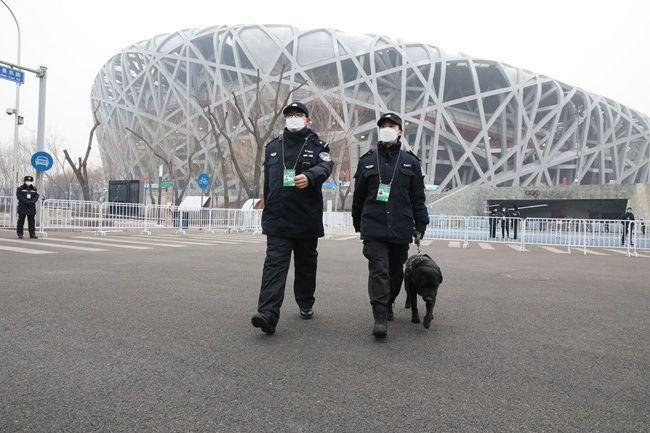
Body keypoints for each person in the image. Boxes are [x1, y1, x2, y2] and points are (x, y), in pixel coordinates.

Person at [251, 101, 334, 335]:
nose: (294, 118)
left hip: (306, 219)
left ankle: (305, 302)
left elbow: (326, 167)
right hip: (278, 219)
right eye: (290, 115)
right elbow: (269, 182)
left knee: (306, 266)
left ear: (308, 119)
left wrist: (310, 175)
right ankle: (267, 314)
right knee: (274, 267)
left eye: (299, 114)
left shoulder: (319, 145)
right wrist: (265, 203)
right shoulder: (273, 147)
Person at [352, 113, 429, 339]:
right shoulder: (367, 160)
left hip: (400, 227)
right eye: (383, 126)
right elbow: (359, 197)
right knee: (379, 270)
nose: (387, 129)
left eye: (392, 126)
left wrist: (421, 224)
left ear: (400, 132)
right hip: (373, 227)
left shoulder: (411, 162)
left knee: (395, 273)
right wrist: (359, 223)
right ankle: (379, 315)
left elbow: (417, 198)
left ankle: (389, 301)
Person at [16, 175, 39, 239]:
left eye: (30, 181)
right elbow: (19, 196)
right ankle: (20, 234)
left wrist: (32, 201)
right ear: (25, 181)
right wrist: (26, 202)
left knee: (31, 222)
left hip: (31, 207)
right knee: (21, 221)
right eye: (27, 181)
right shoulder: (20, 188)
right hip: (23, 207)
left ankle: (32, 234)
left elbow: (36, 196)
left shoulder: (34, 189)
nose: (29, 182)